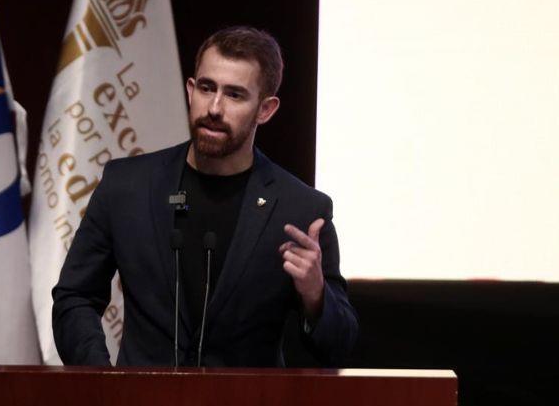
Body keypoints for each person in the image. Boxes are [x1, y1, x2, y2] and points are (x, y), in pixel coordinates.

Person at [52, 26, 357, 367]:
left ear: (266, 109)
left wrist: (316, 296)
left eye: (235, 95)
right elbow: (74, 296)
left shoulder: (301, 210)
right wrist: (102, 381)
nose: (214, 107)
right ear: (190, 90)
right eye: (207, 88)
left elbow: (339, 345)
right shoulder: (127, 187)